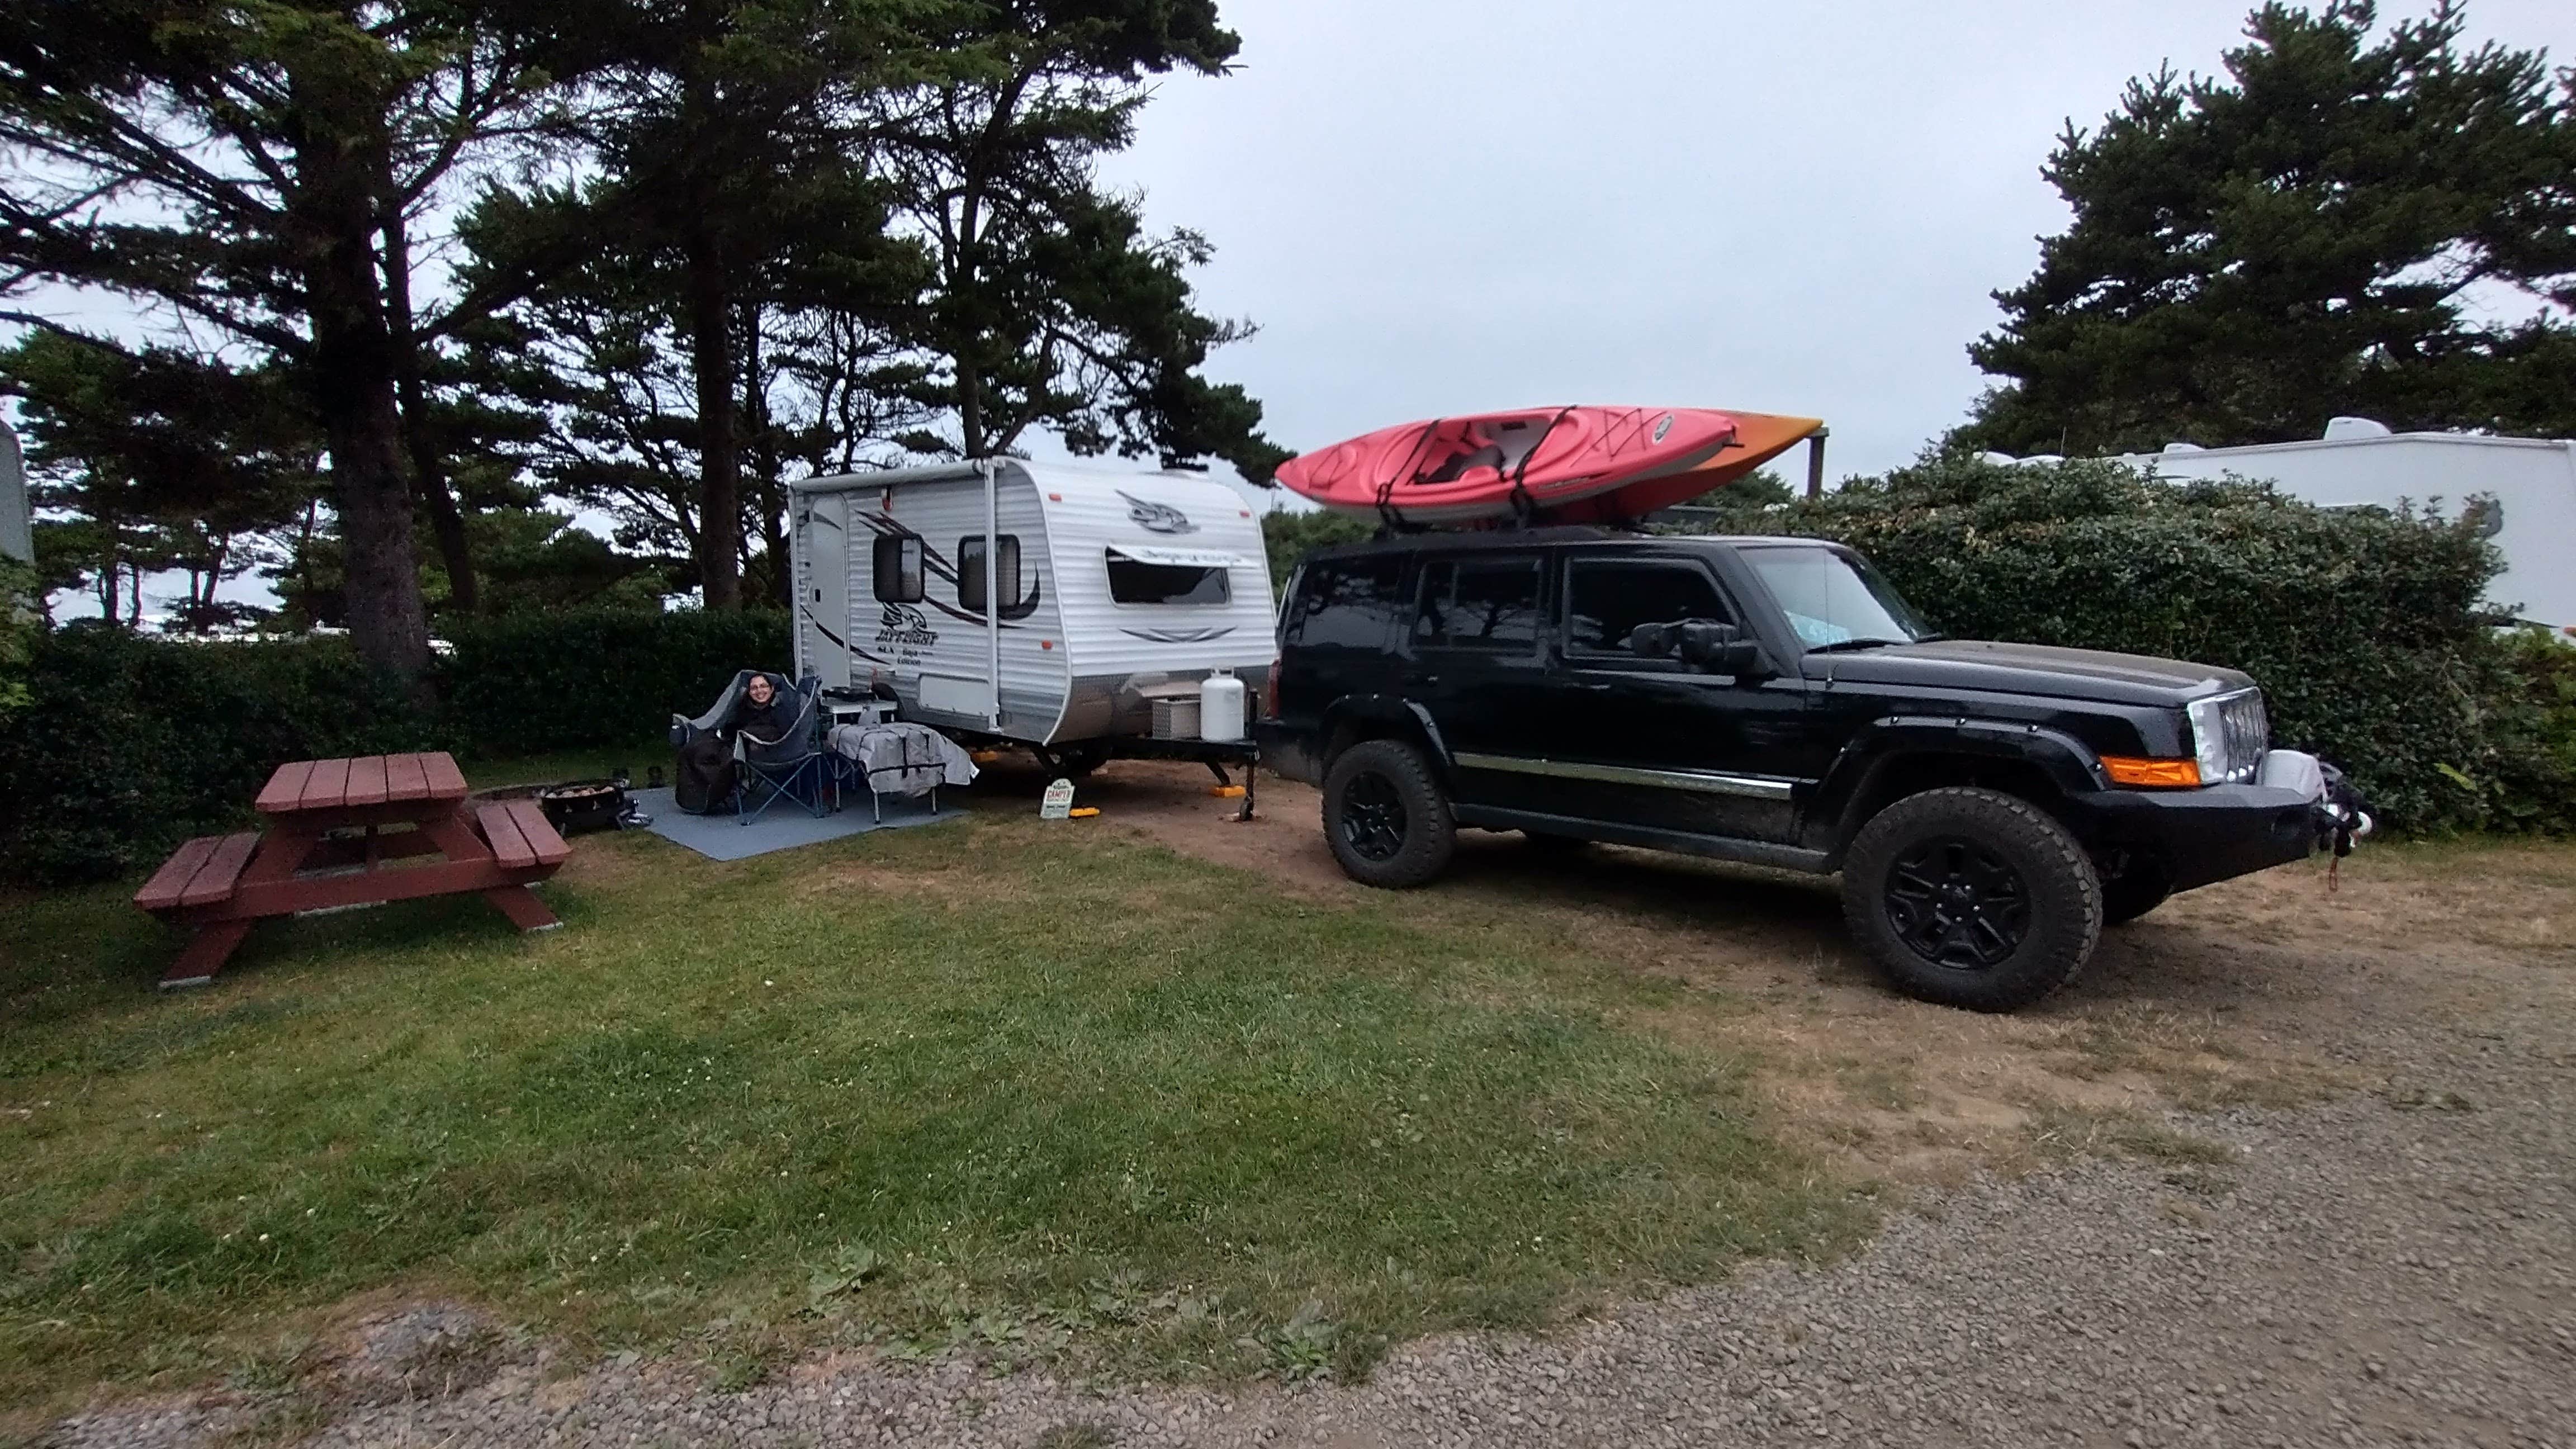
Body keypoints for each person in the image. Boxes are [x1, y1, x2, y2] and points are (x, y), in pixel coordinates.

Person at [728, 672, 796, 743]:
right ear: (749, 692)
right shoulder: (740, 712)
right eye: (754, 688)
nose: (759, 691)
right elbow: (729, 734)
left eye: (763, 686)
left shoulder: (783, 712)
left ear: (772, 689)